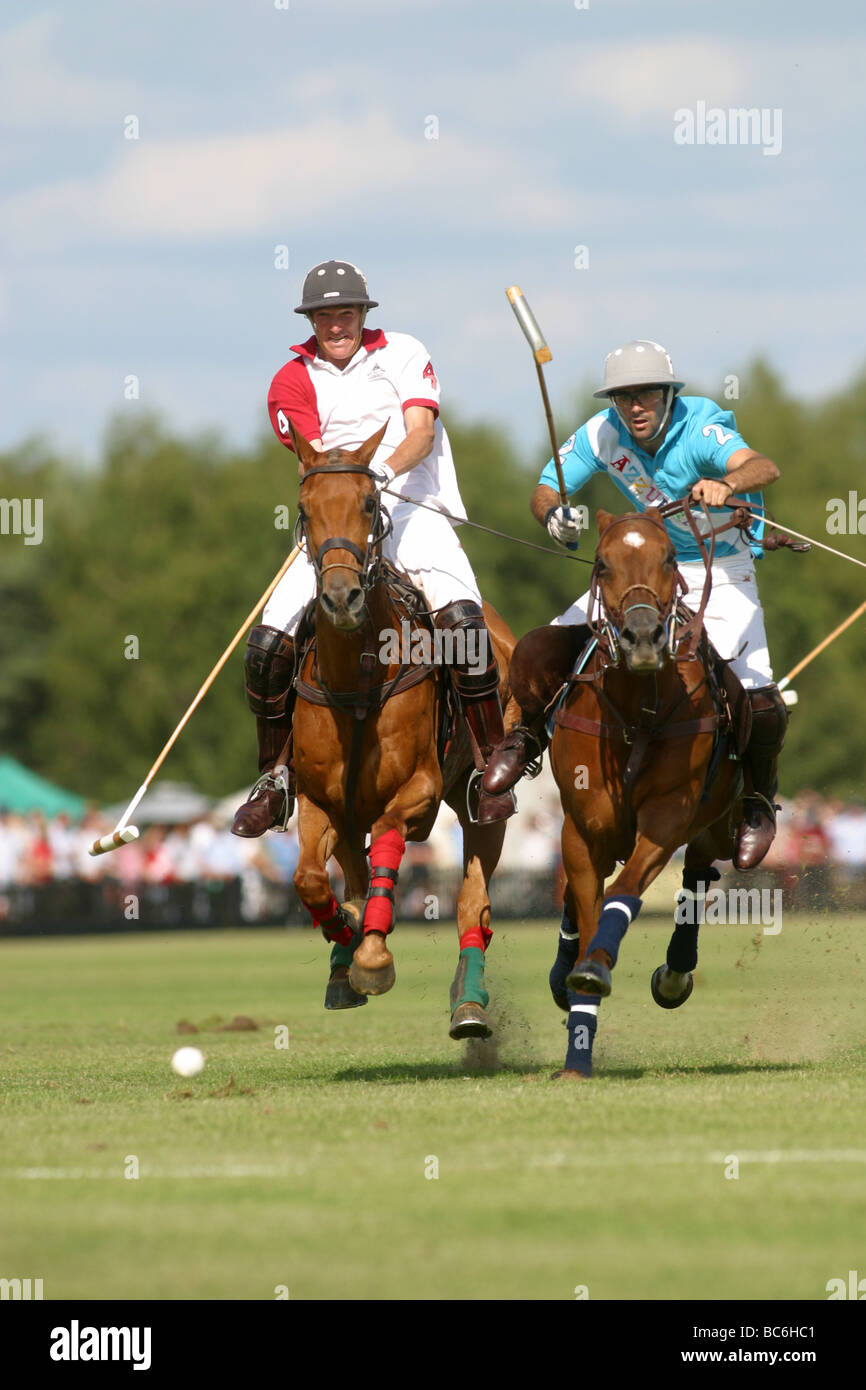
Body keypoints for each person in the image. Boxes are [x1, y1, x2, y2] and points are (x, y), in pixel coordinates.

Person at [482, 339, 787, 870]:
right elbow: (544, 486)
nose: (635, 407)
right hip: (642, 571)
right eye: (624, 398)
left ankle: (756, 803)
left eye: (646, 394)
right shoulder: (602, 433)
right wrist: (553, 514)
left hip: (720, 566)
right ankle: (523, 736)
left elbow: (763, 466)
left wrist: (726, 483)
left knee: (759, 697)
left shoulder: (701, 427)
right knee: (540, 649)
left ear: (668, 394)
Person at [232, 260, 511, 837]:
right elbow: (312, 455)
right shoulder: (291, 379)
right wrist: (351, 493)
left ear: (364, 314)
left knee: (463, 621)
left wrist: (376, 474)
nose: (336, 324)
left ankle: (490, 767)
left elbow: (421, 432)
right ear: (311, 320)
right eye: (325, 315)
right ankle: (275, 777)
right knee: (266, 644)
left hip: (412, 507)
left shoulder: (404, 352)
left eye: (347, 313)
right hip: (338, 522)